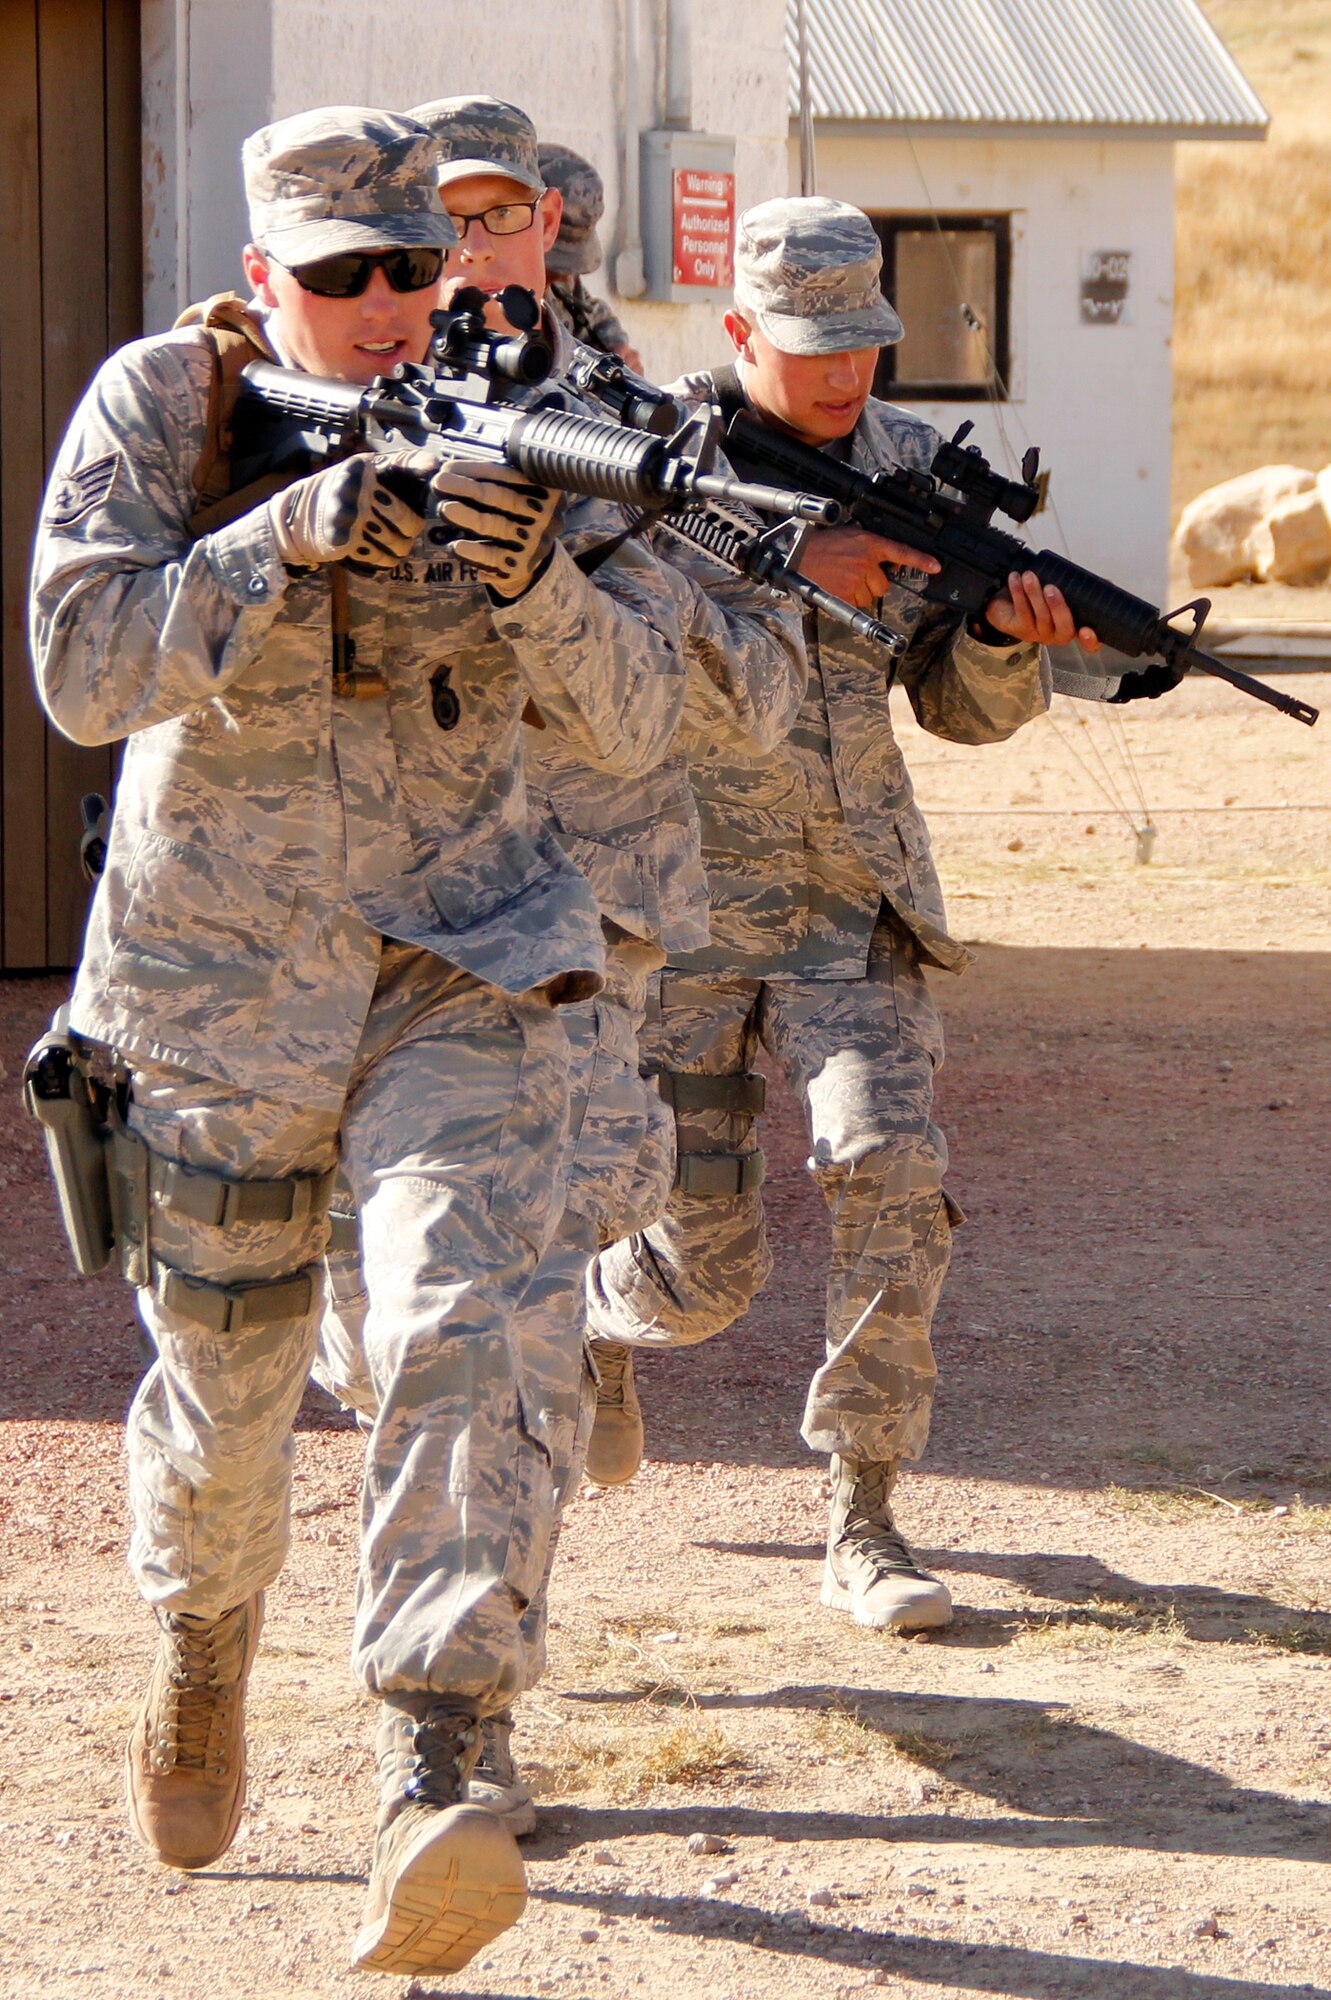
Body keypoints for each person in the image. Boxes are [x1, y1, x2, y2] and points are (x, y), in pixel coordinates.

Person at [28, 105, 688, 1977]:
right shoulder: (167, 408)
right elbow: (80, 671)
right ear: (266, 284)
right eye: (343, 278)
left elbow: (644, 722)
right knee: (228, 1403)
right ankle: (202, 1639)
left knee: (462, 1312)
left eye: (415, 266)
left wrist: (535, 576)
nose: (391, 305)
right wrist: (278, 540)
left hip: (463, 954)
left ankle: (443, 1759)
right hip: (218, 978)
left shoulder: (545, 413)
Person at [314, 96, 806, 1837]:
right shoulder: (302, 394)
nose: (459, 253)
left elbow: (735, 681)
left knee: (502, 1311)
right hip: (334, 942)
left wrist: (571, 575)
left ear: (552, 228)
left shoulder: (644, 432)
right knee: (382, 1346)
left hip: (568, 931)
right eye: (424, 223)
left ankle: (455, 1723)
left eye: (494, 215)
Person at [585, 196, 1105, 1633]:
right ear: (738, 332)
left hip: (846, 903)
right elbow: (600, 668)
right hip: (677, 912)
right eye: (810, 350)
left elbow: (950, 706)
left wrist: (1001, 648)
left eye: (863, 347)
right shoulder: (638, 467)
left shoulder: (911, 475)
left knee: (887, 1166)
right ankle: (599, 1319)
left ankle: (864, 1514)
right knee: (698, 1272)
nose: (842, 377)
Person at [537, 140, 643, 370]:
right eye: (555, 264)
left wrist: (616, 354)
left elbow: (594, 317)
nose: (563, 275)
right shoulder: (485, 287)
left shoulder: (561, 284)